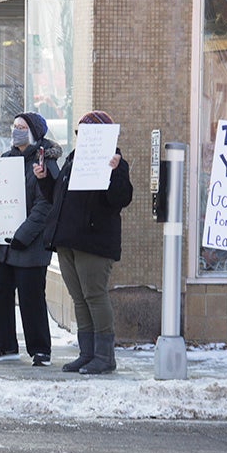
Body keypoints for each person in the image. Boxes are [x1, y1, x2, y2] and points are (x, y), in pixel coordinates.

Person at [33, 110, 133, 374]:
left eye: (86, 132)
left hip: (93, 241)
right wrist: (44, 181)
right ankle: (87, 353)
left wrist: (114, 172)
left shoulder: (116, 161)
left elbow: (121, 199)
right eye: (79, 133)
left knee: (94, 296)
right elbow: (59, 196)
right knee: (79, 298)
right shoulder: (75, 159)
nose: (81, 138)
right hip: (68, 238)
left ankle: (104, 356)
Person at [0, 112, 61, 367]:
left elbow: (45, 205)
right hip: (4, 247)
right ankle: (4, 346)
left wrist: (22, 235)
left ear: (35, 132)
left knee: (31, 298)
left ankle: (40, 350)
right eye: (14, 126)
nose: (16, 131)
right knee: (0, 295)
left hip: (30, 246)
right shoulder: (5, 160)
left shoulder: (44, 163)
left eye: (22, 127)